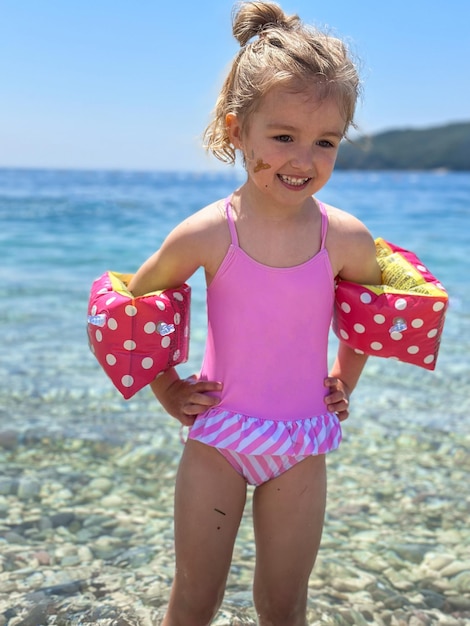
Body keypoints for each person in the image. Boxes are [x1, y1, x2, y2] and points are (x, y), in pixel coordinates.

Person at [129, 2, 382, 624]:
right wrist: (166, 386)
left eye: (325, 142)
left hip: (301, 442)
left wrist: (342, 384)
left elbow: (368, 322)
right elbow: (136, 309)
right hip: (219, 438)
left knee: (284, 604)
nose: (304, 159)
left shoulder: (345, 239)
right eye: (284, 137)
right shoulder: (209, 232)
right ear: (238, 128)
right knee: (194, 600)